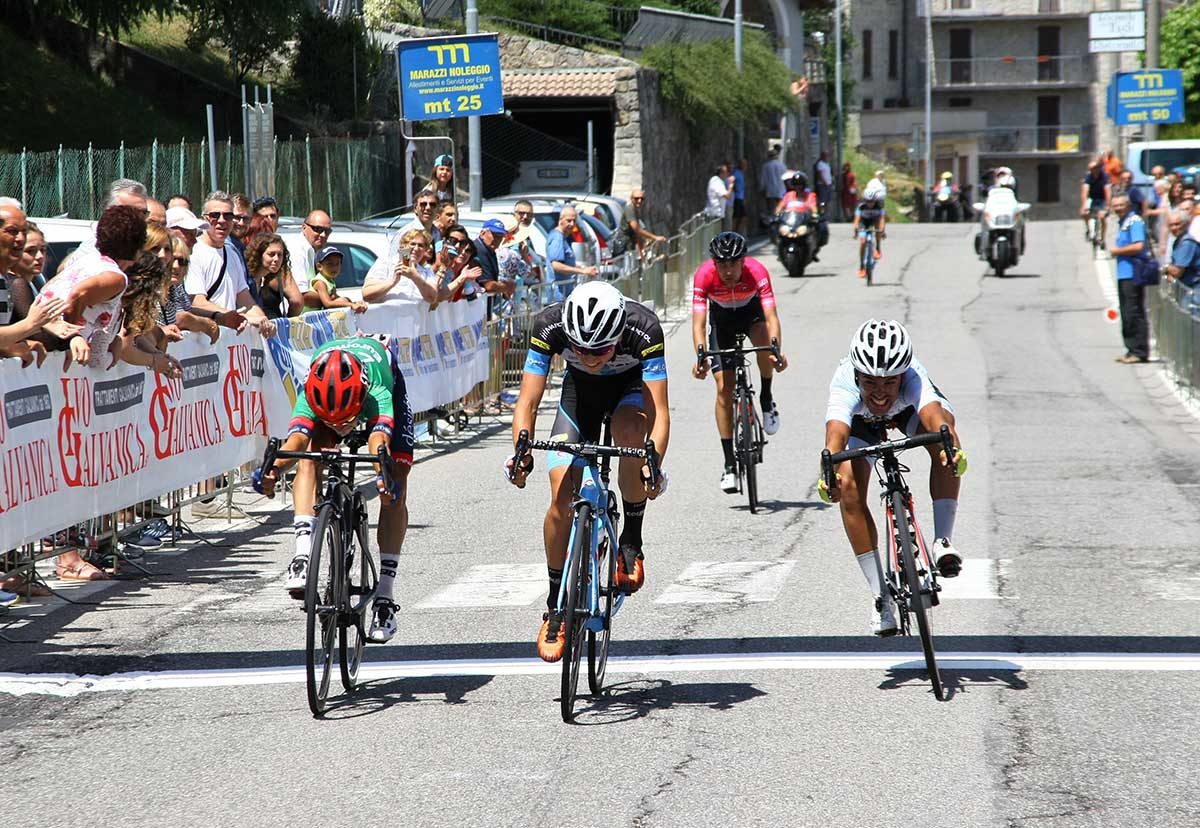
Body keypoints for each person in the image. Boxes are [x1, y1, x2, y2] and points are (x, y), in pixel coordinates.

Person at [506, 281, 669, 662]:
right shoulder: (550, 324)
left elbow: (659, 412)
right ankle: (555, 607)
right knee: (560, 495)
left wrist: (653, 464)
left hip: (628, 394)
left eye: (602, 350)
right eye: (581, 350)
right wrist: (521, 453)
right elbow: (527, 401)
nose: (592, 358)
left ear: (618, 335)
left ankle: (631, 541)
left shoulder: (644, 328)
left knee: (629, 435)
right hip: (579, 397)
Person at [253, 336, 415, 644]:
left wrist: (384, 478)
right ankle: (302, 554)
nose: (343, 428)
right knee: (310, 458)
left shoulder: (376, 390)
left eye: (347, 421)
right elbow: (294, 445)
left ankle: (384, 596)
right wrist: (272, 469)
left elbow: (378, 442)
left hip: (382, 377)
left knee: (397, 477)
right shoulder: (310, 391)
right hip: (331, 393)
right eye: (334, 421)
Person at [818, 319, 967, 636]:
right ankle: (880, 597)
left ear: (903, 375)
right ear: (857, 374)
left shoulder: (913, 376)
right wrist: (828, 471)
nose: (881, 392)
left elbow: (933, 415)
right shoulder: (845, 381)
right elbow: (836, 434)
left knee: (945, 437)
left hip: (906, 412)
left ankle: (942, 542)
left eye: (889, 382)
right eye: (870, 382)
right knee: (848, 487)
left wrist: (949, 446)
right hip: (861, 423)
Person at [691, 232, 787, 492]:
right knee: (724, 388)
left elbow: (771, 315)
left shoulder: (757, 272)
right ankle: (729, 464)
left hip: (751, 314)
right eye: (722, 264)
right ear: (714, 263)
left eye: (733, 263)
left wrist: (776, 349)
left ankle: (766, 398)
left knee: (762, 341)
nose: (728, 270)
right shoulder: (704, 276)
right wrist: (700, 355)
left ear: (743, 261)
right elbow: (699, 322)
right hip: (721, 321)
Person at [185, 193, 277, 338]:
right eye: (215, 215)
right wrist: (236, 318)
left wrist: (263, 320)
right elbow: (197, 302)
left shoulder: (233, 254)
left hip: (230, 342)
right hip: (202, 343)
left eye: (228, 216)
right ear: (204, 218)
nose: (222, 221)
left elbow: (245, 299)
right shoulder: (193, 253)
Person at [1109, 193, 1150, 364]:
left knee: (1134, 312)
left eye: (1121, 205)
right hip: (1124, 273)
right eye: (1115, 206)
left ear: (1128, 205)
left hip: (1133, 273)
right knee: (1126, 312)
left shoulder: (1134, 221)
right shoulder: (1124, 222)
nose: (1118, 208)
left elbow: (1139, 245)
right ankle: (1130, 349)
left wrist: (1117, 251)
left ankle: (1139, 351)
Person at [362, 228, 440, 305]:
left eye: (420, 246)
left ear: (425, 250)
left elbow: (432, 298)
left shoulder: (426, 270)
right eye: (412, 244)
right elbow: (366, 295)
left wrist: (415, 276)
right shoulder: (386, 263)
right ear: (403, 246)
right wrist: (392, 282)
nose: (416, 249)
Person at [244, 232, 304, 318]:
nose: (276, 259)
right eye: (271, 254)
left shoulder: (265, 278)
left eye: (280, 255)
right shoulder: (246, 278)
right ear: (259, 255)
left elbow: (297, 302)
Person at [544, 208, 596, 300]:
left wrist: (580, 267)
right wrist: (583, 271)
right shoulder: (557, 238)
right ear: (561, 220)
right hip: (559, 294)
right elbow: (556, 266)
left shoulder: (563, 237)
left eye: (574, 221)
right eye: (569, 220)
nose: (572, 224)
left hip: (565, 292)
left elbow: (565, 262)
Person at [303, 247, 367, 314]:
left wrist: (355, 303)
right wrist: (350, 305)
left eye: (337, 263)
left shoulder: (330, 281)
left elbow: (336, 298)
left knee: (344, 299)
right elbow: (328, 304)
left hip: (318, 316)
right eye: (330, 264)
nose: (334, 267)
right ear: (319, 266)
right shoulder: (320, 282)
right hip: (309, 318)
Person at [288, 209, 333, 303]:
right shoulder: (297, 250)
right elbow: (301, 294)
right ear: (304, 227)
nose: (323, 235)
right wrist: (330, 300)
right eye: (318, 229)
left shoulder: (312, 250)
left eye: (327, 231)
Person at [616, 189, 666, 256]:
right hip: (623, 246)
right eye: (637, 198)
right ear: (631, 199)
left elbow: (638, 233)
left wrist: (642, 250)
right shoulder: (630, 210)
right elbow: (637, 229)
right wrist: (655, 237)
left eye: (642, 199)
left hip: (629, 245)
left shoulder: (635, 211)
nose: (639, 201)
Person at [853, 194, 887, 278]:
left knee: (878, 229)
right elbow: (857, 220)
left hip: (874, 222)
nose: (870, 203)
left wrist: (882, 231)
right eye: (868, 201)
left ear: (875, 201)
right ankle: (861, 266)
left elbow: (882, 220)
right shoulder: (861, 207)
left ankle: (878, 248)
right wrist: (856, 230)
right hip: (863, 224)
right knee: (863, 242)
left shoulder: (879, 207)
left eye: (872, 201)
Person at [1165, 210, 1200, 288]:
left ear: (1185, 224)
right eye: (1171, 225)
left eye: (1177, 224)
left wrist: (1165, 267)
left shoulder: (1187, 243)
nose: (1174, 228)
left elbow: (1177, 271)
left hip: (1195, 289)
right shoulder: (1178, 241)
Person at [1080, 159, 1110, 247]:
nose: (1092, 170)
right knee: (1084, 213)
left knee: (1102, 217)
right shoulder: (1089, 176)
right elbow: (1085, 190)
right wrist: (1084, 205)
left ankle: (1102, 239)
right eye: (1091, 169)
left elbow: (1107, 191)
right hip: (1092, 198)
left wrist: (1107, 206)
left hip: (1102, 199)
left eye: (1094, 168)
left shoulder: (1104, 176)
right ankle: (1088, 229)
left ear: (1098, 168)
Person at [759, 146, 787, 213]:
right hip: (781, 191)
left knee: (771, 211)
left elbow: (763, 180)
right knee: (780, 210)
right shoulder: (782, 166)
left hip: (770, 192)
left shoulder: (766, 166)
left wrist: (762, 189)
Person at [732, 157, 748, 235]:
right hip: (736, 198)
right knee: (736, 217)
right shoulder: (736, 172)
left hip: (740, 198)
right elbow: (732, 181)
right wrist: (735, 189)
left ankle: (737, 233)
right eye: (744, 164)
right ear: (740, 164)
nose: (745, 166)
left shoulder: (741, 173)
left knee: (743, 217)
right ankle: (733, 233)